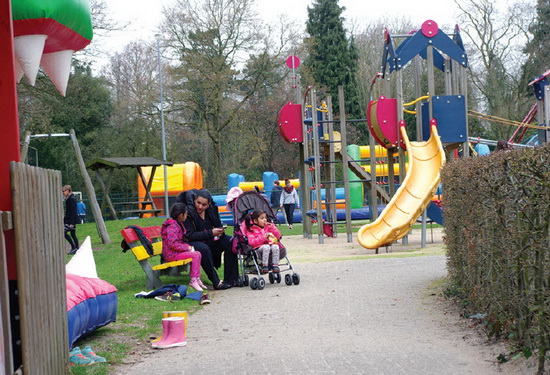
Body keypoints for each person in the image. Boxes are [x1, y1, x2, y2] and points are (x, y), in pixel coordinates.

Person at [181, 189, 238, 290]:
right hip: (191, 242)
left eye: (204, 205)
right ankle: (216, 281)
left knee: (231, 241)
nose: (200, 206)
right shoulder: (188, 212)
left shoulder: (212, 210)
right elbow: (190, 235)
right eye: (198, 203)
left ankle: (231, 279)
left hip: (208, 239)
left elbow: (217, 225)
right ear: (194, 200)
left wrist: (220, 232)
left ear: (208, 205)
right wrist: (211, 233)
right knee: (203, 248)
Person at [161, 203, 207, 292]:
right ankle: (193, 280)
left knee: (197, 253)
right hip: (171, 254)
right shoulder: (172, 226)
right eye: (186, 214)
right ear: (181, 215)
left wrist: (187, 247)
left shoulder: (177, 224)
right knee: (195, 255)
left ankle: (197, 278)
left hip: (174, 252)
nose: (186, 215)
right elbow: (172, 243)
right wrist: (187, 248)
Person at [241, 209, 281, 274]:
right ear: (255, 221)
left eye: (265, 218)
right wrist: (263, 238)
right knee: (266, 247)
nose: (265, 220)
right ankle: (265, 265)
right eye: (262, 218)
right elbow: (251, 243)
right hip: (258, 248)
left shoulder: (268, 227)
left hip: (271, 245)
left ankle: (275, 265)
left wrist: (273, 228)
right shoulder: (251, 230)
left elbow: (278, 237)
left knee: (276, 246)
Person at [63, 185, 80, 254]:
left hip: (70, 221)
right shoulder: (69, 198)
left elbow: (73, 211)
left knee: (63, 233)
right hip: (69, 220)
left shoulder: (72, 199)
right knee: (73, 234)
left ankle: (74, 247)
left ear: (68, 191)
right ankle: (76, 248)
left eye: (64, 191)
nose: (63, 192)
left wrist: (72, 223)